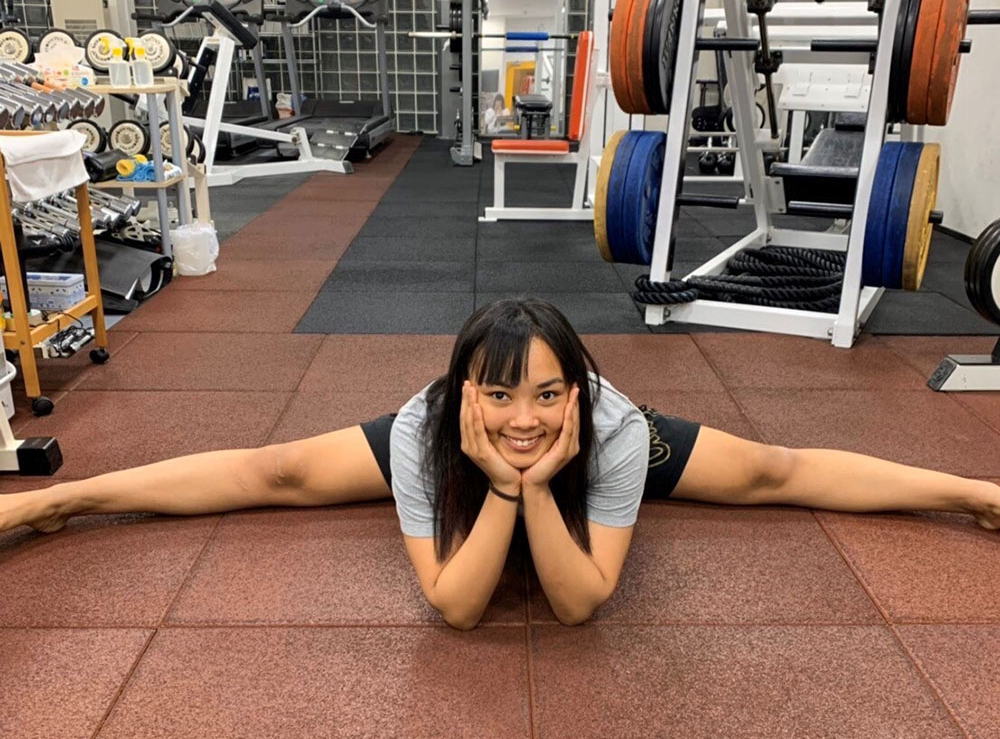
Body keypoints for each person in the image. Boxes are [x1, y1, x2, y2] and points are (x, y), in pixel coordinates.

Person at [1, 298, 998, 630]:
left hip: (591, 462)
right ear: (463, 391)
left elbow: (579, 602)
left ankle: (977, 495)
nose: (525, 419)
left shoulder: (611, 429)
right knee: (278, 473)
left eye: (548, 393)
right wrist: (503, 485)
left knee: (771, 472)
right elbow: (457, 607)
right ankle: (64, 503)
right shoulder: (425, 427)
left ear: (578, 391)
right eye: (502, 394)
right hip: (456, 457)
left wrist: (535, 482)